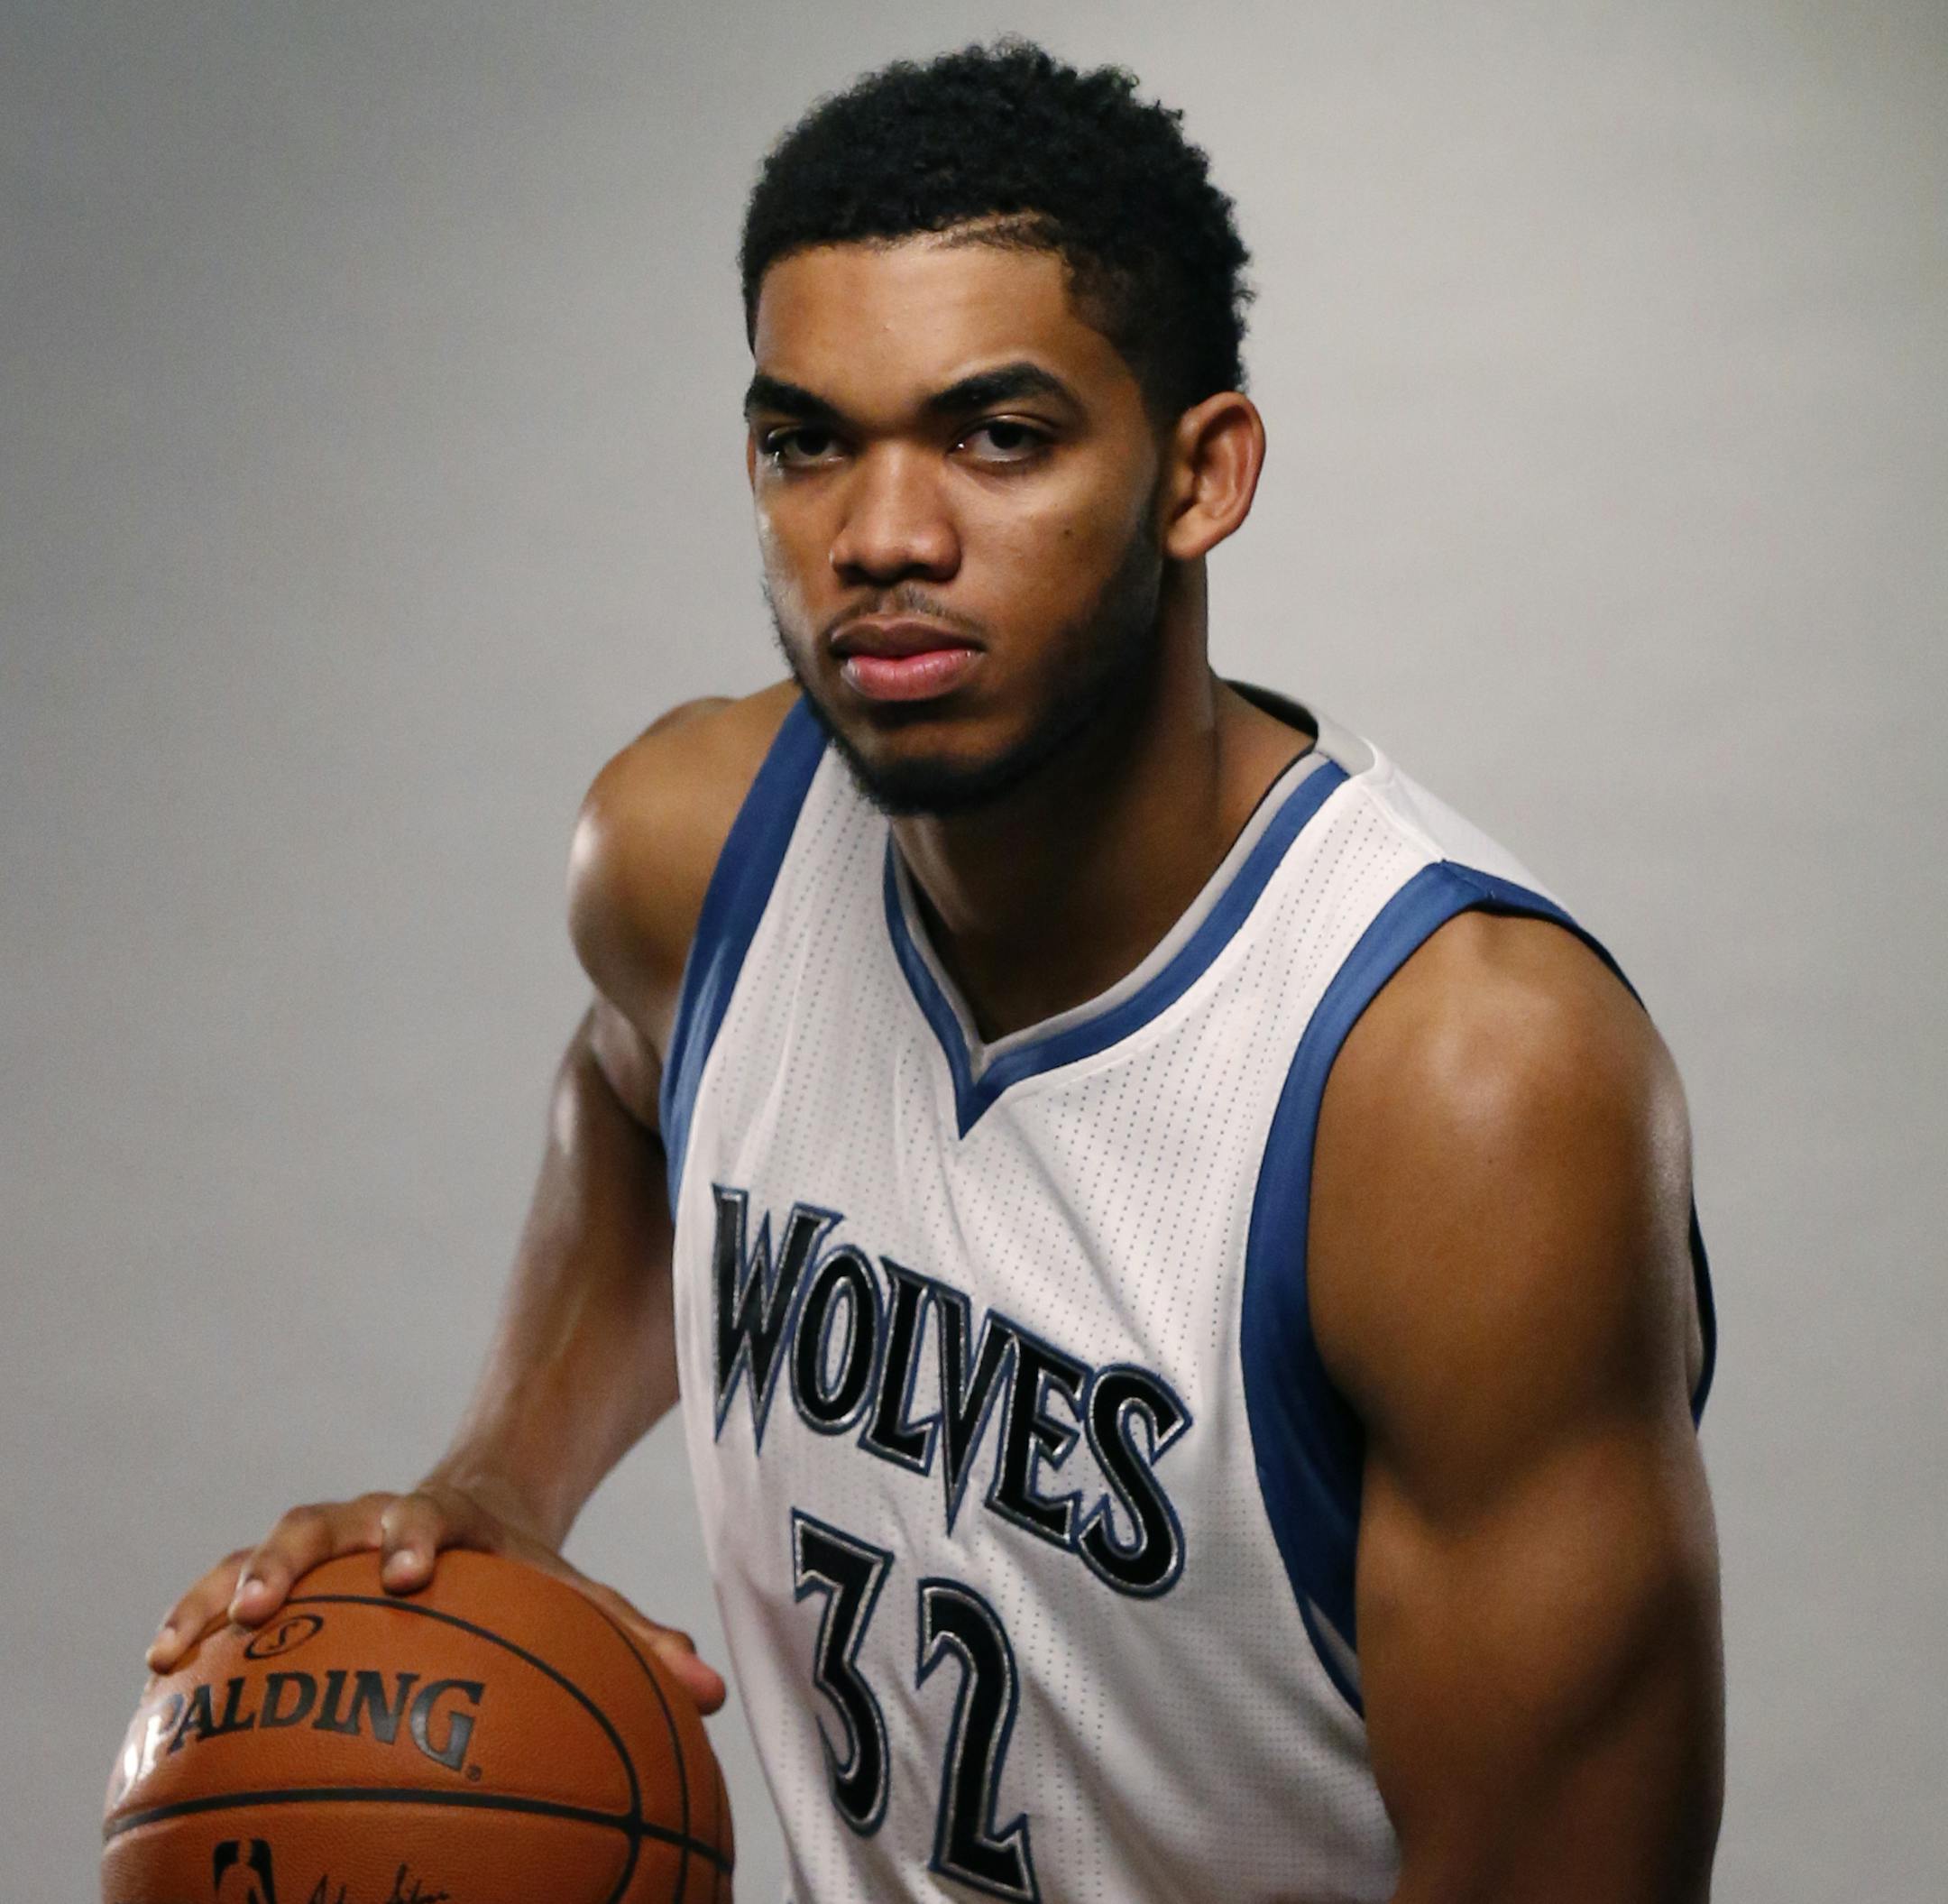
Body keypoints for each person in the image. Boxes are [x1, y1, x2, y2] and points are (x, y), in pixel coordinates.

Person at [148, 41, 1723, 1903]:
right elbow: (637, 1085)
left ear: (1201, 474)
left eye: (998, 436)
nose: (880, 538)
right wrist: (502, 1478)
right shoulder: (694, 862)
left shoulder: (1452, 1092)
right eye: (807, 443)